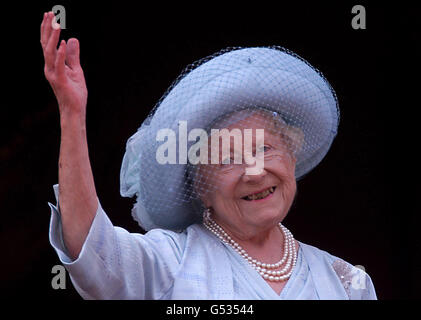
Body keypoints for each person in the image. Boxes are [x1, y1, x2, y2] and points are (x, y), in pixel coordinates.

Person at [41, 11, 377, 299]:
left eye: (265, 149)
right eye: (228, 159)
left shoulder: (347, 282)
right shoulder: (172, 262)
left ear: (291, 157)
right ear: (200, 186)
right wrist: (72, 116)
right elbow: (95, 255)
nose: (255, 172)